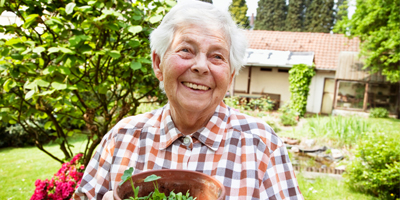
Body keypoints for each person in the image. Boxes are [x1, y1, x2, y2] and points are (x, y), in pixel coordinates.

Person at [74, 1, 303, 199]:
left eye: (217, 56)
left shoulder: (261, 145)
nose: (201, 66)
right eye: (186, 50)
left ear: (230, 76)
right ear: (158, 63)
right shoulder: (122, 137)